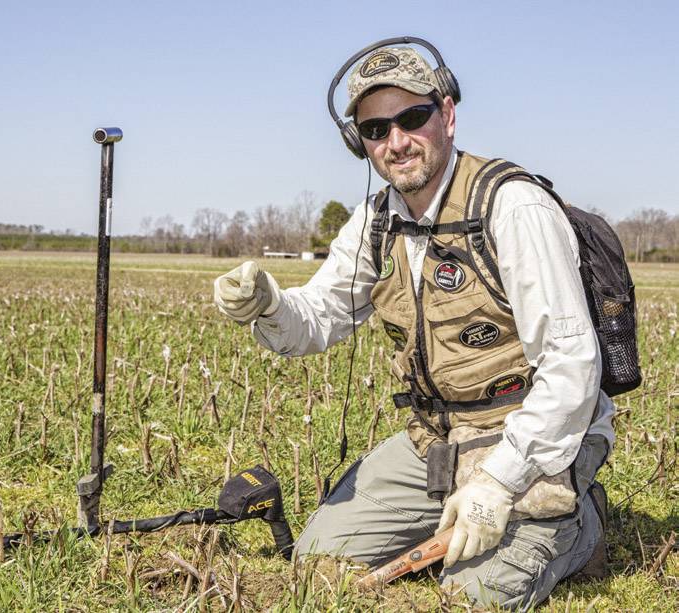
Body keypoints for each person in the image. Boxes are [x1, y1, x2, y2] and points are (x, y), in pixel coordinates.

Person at [213, 41, 613, 610]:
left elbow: (572, 369)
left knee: (471, 596)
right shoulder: (377, 222)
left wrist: (498, 484)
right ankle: (458, 507)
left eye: (413, 118)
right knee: (316, 566)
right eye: (376, 129)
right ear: (360, 143)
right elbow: (319, 318)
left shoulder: (513, 207)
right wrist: (267, 305)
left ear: (447, 113)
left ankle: (581, 524)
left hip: (536, 435)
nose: (396, 142)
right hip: (437, 439)